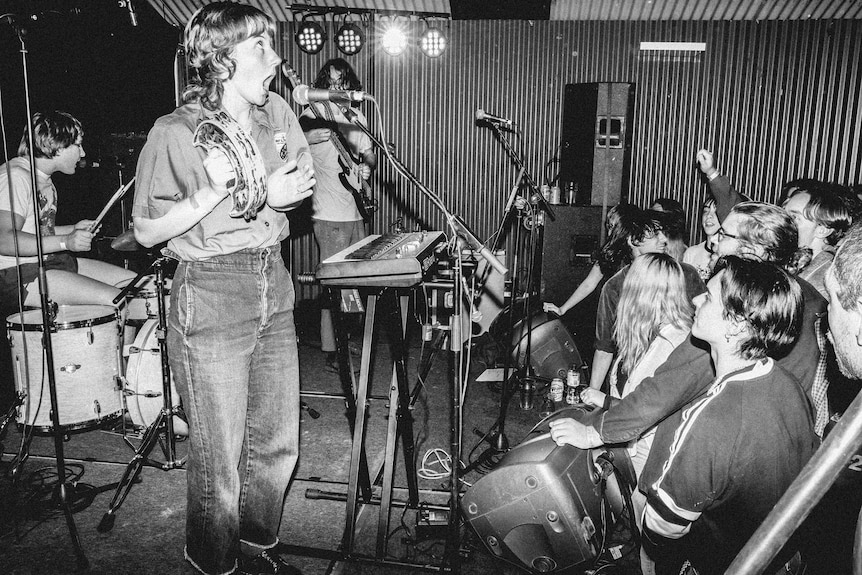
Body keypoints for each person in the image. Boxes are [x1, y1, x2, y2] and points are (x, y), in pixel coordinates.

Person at [131, 3, 314, 574]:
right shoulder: (176, 131)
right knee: (219, 457)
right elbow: (144, 230)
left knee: (279, 445)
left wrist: (276, 195)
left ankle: (258, 545)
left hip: (272, 279)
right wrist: (213, 193)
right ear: (219, 60)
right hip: (210, 288)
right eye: (259, 46)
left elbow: (298, 183)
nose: (276, 57)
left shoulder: (278, 112)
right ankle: (214, 562)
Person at [556, 201, 828, 453]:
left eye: (723, 236)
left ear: (752, 249)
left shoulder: (737, 302)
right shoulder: (806, 296)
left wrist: (595, 434)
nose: (713, 243)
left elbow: (670, 384)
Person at [634, 257, 816, 574]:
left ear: (736, 324)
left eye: (707, 296)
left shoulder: (711, 415)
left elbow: (664, 525)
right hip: (781, 559)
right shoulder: (788, 386)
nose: (695, 299)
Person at [579, 253, 692, 539]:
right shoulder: (650, 334)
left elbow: (648, 412)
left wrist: (602, 408)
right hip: (631, 452)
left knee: (647, 546)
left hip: (648, 464)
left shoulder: (673, 345)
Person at [0, 111, 137, 308]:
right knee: (118, 302)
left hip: (49, 262)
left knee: (136, 286)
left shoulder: (43, 179)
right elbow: (5, 239)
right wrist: (66, 242)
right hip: (17, 273)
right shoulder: (16, 177)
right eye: (78, 145)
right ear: (55, 144)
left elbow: (35, 232)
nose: (83, 153)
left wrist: (72, 229)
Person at [300, 58, 377, 370]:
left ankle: (351, 340)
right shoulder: (310, 115)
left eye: (342, 83)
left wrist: (367, 167)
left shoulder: (356, 116)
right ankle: (333, 349)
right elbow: (288, 150)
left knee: (356, 284)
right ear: (322, 87)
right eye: (330, 83)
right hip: (327, 213)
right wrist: (307, 138)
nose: (336, 88)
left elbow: (369, 153)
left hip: (354, 210)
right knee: (334, 283)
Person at [588, 209, 704, 390]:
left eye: (664, 233)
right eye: (655, 234)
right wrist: (592, 396)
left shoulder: (687, 274)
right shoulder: (614, 286)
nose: (664, 240)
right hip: (631, 382)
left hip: (679, 379)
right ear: (632, 240)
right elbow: (604, 348)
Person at [542, 203, 638, 317]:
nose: (608, 233)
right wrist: (562, 309)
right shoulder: (610, 251)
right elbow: (589, 282)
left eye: (612, 227)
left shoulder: (640, 253)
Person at [782, 181, 852, 298]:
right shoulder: (790, 260)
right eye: (783, 213)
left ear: (823, 230)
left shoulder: (825, 283)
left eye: (794, 217)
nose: (781, 221)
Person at [682, 197, 720, 281]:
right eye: (706, 211)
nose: (709, 216)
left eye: (716, 212)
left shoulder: (729, 255)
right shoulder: (691, 253)